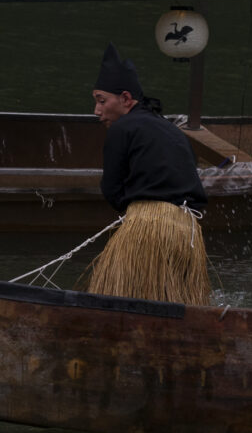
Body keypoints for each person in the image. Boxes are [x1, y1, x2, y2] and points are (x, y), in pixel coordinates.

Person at [86, 43, 210, 305]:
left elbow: (111, 189)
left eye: (101, 101)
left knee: (118, 300)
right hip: (188, 233)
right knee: (179, 302)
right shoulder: (173, 131)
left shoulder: (122, 128)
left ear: (126, 99)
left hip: (148, 227)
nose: (97, 111)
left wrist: (132, 211)